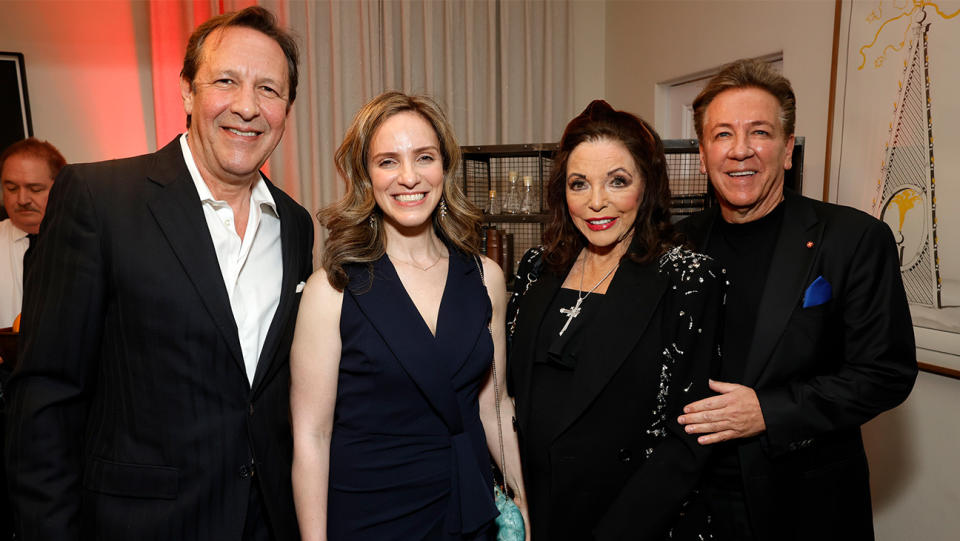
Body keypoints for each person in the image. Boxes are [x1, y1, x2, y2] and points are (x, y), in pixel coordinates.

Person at [4, 7, 313, 541]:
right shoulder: (100, 201)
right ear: (188, 92)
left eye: (269, 89)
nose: (247, 106)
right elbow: (45, 400)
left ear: (287, 108)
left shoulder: (296, 225)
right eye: (226, 81)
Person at [675, 58, 917, 541]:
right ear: (702, 155)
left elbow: (885, 373)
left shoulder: (852, 238)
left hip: (804, 503)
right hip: (690, 497)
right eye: (722, 134)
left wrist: (768, 410)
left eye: (759, 132)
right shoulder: (673, 243)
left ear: (787, 150)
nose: (740, 150)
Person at [290, 91, 528, 540]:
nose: (408, 177)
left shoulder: (485, 278)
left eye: (424, 157)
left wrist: (522, 500)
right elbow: (311, 437)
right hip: (370, 515)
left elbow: (494, 406)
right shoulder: (333, 289)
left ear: (444, 167)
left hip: (469, 508)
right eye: (387, 161)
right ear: (366, 176)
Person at [506, 100, 724, 540]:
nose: (596, 202)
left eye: (617, 181)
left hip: (629, 520)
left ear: (647, 187)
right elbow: (510, 400)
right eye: (579, 184)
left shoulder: (688, 278)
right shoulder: (537, 268)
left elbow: (688, 440)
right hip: (534, 513)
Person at [0, 137, 65, 328]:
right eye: (11, 188)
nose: (22, 199)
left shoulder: (86, 241)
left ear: (60, 187)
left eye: (34, 189)